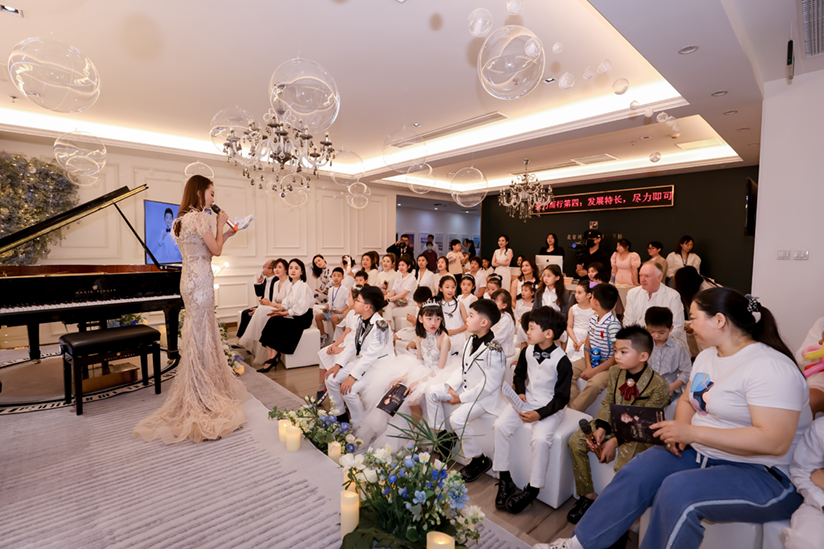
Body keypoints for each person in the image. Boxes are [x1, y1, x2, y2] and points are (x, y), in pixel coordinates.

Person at [543, 288, 812, 549]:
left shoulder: (770, 367)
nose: (689, 325)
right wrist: (680, 432)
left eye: (693, 317)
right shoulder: (707, 357)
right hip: (704, 452)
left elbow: (774, 441)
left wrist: (691, 433)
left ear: (719, 321)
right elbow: (686, 399)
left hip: (763, 472)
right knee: (638, 471)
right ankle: (579, 544)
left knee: (678, 490)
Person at [133, 174, 246, 444]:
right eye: (211, 193)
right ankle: (202, 390)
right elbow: (215, 252)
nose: (213, 198)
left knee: (197, 332)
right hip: (202, 281)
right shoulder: (200, 218)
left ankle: (201, 383)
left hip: (188, 280)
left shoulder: (181, 221)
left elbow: (205, 249)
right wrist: (220, 224)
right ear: (199, 193)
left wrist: (226, 233)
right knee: (203, 332)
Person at [564, 326, 669, 526]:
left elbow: (646, 424)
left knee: (624, 465)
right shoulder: (615, 372)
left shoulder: (660, 385)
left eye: (623, 352)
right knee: (576, 441)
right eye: (615, 351)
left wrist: (615, 442)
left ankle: (617, 516)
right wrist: (602, 428)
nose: (617, 357)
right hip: (613, 422)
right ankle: (588, 495)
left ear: (643, 356)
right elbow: (607, 404)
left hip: (638, 433)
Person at [494, 307, 573, 514]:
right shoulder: (527, 351)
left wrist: (539, 414)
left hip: (550, 406)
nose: (526, 332)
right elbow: (519, 375)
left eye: (531, 328)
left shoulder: (562, 361)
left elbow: (562, 397)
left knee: (540, 439)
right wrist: (520, 392)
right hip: (526, 399)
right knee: (500, 426)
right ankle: (505, 478)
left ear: (548, 333)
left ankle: (533, 489)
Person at [424, 299, 506, 482]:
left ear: (484, 322)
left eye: (470, 316)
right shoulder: (470, 340)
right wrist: (450, 387)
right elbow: (463, 369)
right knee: (431, 391)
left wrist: (460, 398)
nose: (466, 319)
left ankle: (479, 459)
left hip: (483, 398)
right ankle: (443, 438)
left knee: (457, 419)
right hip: (465, 388)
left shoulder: (495, 349)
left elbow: (489, 385)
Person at [324, 285, 396, 425]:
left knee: (349, 391)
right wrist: (338, 365)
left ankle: (360, 424)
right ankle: (340, 415)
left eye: (357, 300)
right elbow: (352, 344)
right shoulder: (360, 320)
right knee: (331, 379)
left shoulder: (381, 326)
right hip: (362, 362)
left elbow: (371, 355)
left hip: (377, 367)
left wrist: (352, 377)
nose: (354, 302)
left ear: (367, 306)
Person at [568, 284, 622, 412]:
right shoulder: (593, 319)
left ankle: (573, 410)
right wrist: (588, 366)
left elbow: (617, 355)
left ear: (596, 301)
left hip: (609, 366)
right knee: (567, 370)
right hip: (592, 360)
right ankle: (573, 407)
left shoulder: (613, 325)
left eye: (591, 297)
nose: (590, 299)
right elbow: (587, 344)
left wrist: (594, 371)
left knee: (595, 383)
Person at [258, 258, 315, 372]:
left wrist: (285, 313)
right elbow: (285, 303)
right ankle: (271, 357)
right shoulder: (290, 285)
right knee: (273, 319)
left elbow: (300, 309)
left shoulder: (303, 286)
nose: (293, 270)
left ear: (302, 271)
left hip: (303, 317)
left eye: (296, 268)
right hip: (293, 314)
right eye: (291, 268)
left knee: (276, 322)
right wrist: (280, 309)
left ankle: (272, 358)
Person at [623, 261, 688, 349]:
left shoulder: (673, 296)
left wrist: (658, 340)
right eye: (640, 275)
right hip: (640, 342)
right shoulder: (632, 293)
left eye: (647, 276)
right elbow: (628, 323)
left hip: (667, 344)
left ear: (659, 277)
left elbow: (678, 327)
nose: (642, 279)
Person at [782, 417, 824, 548]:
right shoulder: (820, 427)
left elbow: (817, 477)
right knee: (806, 539)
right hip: (819, 501)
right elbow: (803, 473)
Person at [237, 258, 290, 364]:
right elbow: (267, 297)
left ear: (285, 269)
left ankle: (248, 341)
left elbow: (284, 304)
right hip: (271, 306)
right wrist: (258, 284)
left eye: (279, 267)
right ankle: (250, 343)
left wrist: (264, 307)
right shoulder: (276, 283)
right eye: (275, 267)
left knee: (259, 311)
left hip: (284, 310)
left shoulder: (288, 283)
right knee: (253, 312)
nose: (276, 269)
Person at [317, 285, 362, 400]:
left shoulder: (362, 318)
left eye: (349, 296)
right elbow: (346, 332)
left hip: (353, 347)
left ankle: (335, 388)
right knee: (324, 352)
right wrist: (334, 345)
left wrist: (341, 349)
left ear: (356, 300)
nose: (347, 298)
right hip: (346, 342)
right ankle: (321, 385)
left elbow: (358, 342)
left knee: (338, 357)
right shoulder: (351, 313)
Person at [645, 306, 692, 401]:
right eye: (651, 332)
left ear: (671, 328)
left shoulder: (677, 347)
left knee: (656, 402)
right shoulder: (645, 345)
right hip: (647, 388)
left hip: (669, 389)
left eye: (661, 332)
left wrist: (673, 387)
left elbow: (687, 371)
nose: (656, 335)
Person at [236, 259, 276, 339]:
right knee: (245, 313)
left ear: (270, 270)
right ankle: (242, 339)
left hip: (271, 306)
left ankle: (246, 340)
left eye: (264, 267)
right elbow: (259, 294)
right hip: (264, 306)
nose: (262, 269)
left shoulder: (276, 281)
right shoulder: (266, 279)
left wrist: (260, 309)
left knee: (247, 314)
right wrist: (259, 283)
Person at [796, 315, 824, 417]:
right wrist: (819, 350)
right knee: (806, 404)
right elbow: (800, 358)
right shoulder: (822, 323)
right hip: (820, 385)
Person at [315, 267, 347, 346]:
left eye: (339, 276)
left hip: (339, 312)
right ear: (331, 277)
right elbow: (329, 302)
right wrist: (326, 308)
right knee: (318, 317)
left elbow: (348, 304)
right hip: (331, 311)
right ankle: (323, 335)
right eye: (334, 275)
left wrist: (341, 311)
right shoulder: (330, 289)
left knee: (333, 318)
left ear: (343, 277)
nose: (336, 278)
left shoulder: (345, 290)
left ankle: (337, 339)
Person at [384, 254, 417, 330]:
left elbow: (402, 295)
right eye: (399, 265)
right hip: (397, 303)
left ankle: (389, 330)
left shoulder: (412, 278)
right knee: (386, 306)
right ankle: (390, 330)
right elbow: (393, 292)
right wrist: (385, 297)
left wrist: (389, 299)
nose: (400, 267)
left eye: (403, 265)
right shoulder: (398, 277)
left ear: (409, 266)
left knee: (388, 311)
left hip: (408, 304)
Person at [566, 281, 595, 364]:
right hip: (574, 336)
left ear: (588, 295)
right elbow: (569, 327)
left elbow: (593, 329)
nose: (576, 295)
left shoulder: (593, 311)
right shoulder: (573, 309)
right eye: (575, 292)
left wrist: (582, 342)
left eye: (579, 293)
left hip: (587, 337)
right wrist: (574, 340)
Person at [491, 289, 517, 360]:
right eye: (492, 301)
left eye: (495, 302)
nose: (492, 304)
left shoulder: (506, 319)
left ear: (504, 305)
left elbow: (497, 339)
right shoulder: (495, 315)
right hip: (494, 349)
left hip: (503, 352)